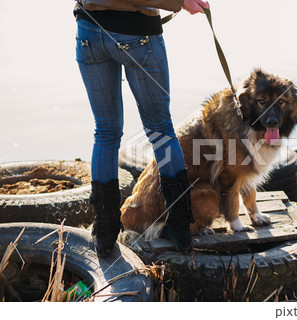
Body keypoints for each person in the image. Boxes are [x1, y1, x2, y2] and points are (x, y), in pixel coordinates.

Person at [74, 0, 209, 257]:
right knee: (161, 130)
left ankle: (104, 233)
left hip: (90, 31)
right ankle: (180, 230)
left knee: (105, 132)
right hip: (137, 33)